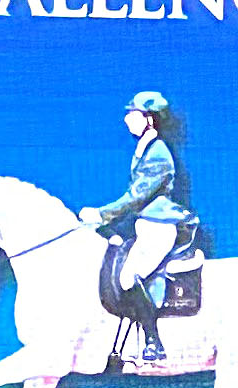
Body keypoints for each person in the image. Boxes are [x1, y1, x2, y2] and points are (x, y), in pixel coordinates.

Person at [80, 91, 197, 363]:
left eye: (133, 114)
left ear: (150, 119)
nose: (126, 119)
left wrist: (101, 214)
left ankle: (154, 343)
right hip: (145, 226)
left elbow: (137, 196)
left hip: (160, 226)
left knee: (127, 278)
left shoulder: (158, 154)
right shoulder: (144, 149)